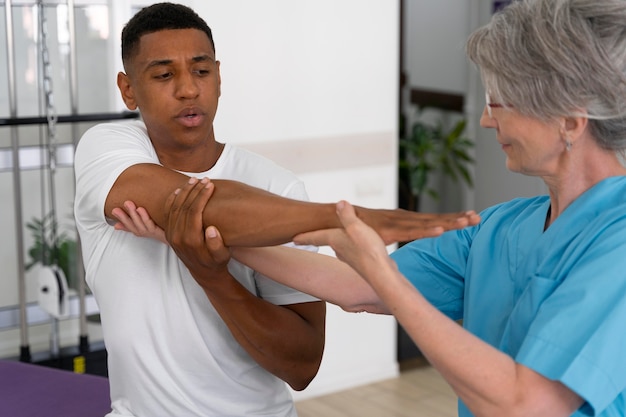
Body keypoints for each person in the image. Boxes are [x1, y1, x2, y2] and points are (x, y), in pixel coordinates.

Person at [115, 0, 626, 416]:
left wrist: (378, 271)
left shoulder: (618, 242)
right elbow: (358, 287)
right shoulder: (504, 227)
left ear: (570, 118)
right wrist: (195, 236)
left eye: (501, 102)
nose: (487, 122)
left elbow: (528, 404)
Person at [74, 3, 479, 417]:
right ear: (128, 90)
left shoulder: (276, 186)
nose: (188, 89)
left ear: (219, 77)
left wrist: (214, 276)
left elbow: (302, 366)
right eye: (163, 75)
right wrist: (340, 216)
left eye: (201, 71)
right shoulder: (107, 150)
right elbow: (195, 203)